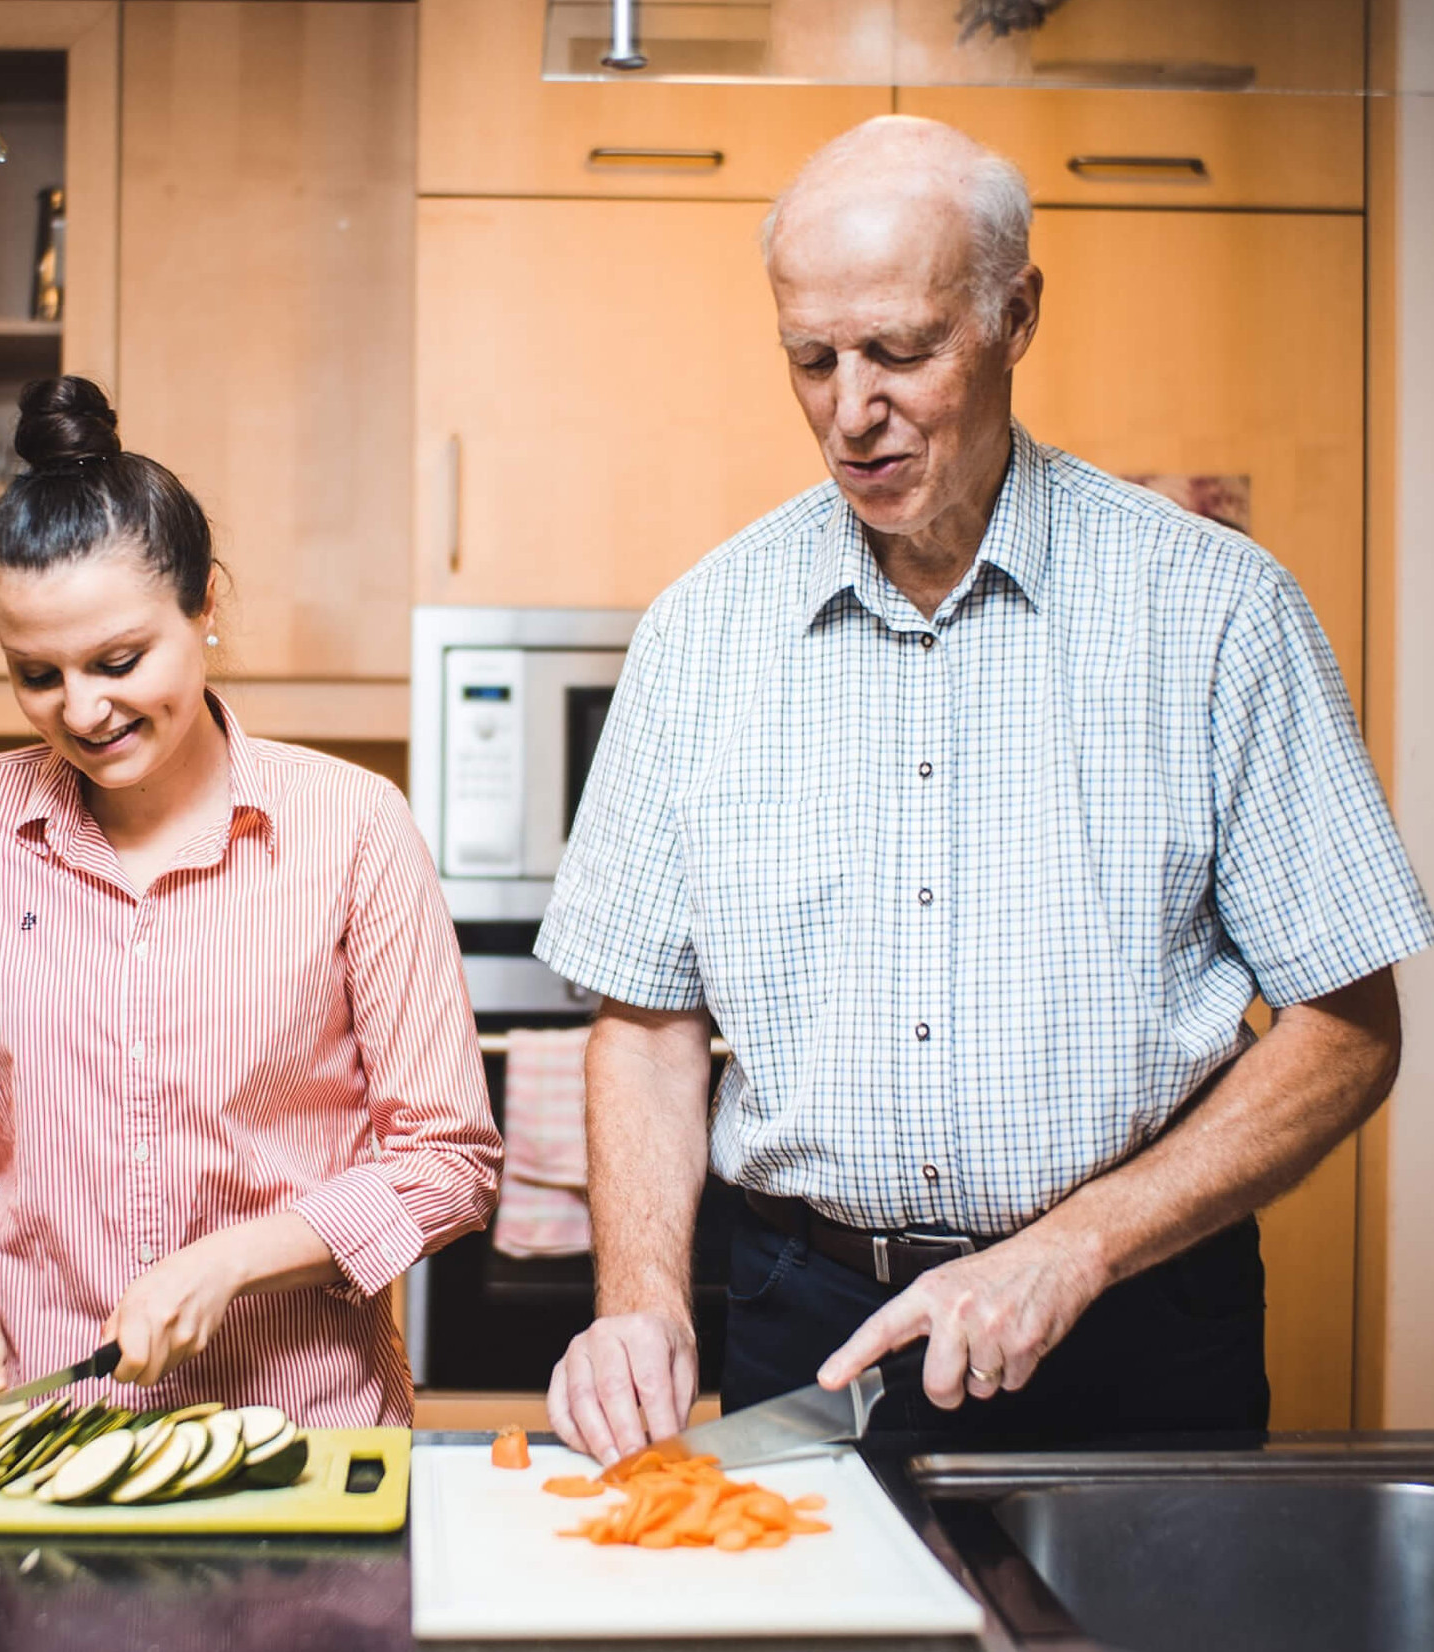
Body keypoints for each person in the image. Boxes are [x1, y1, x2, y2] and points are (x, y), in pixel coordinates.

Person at [535, 116, 1434, 1462]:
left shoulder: (1213, 611)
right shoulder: (700, 633)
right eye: (811, 358)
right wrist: (643, 1302)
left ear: (1015, 315)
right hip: (805, 1322)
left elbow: (1350, 1024)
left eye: (901, 351)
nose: (852, 407)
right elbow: (649, 1025)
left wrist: (1073, 1251)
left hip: (1132, 1316)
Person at [0, 376, 501, 1427]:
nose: (82, 709)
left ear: (206, 604)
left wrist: (234, 1260)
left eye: (120, 660)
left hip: (299, 1431)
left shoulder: (354, 826)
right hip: (40, 1427)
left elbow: (445, 1159)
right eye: (34, 673)